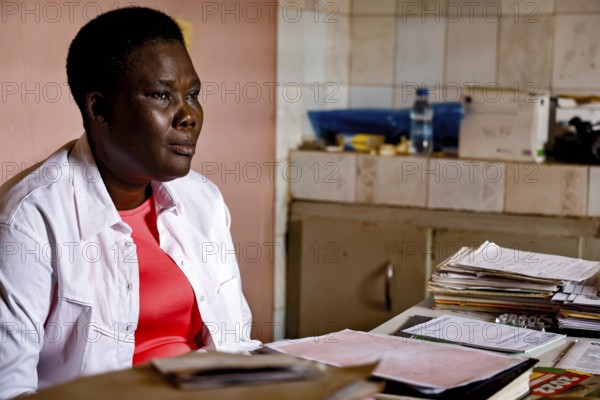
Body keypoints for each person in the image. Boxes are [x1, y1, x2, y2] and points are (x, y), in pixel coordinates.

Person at [0, 7, 260, 399]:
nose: (187, 115)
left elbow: (234, 342)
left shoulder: (202, 200)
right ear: (99, 108)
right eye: (161, 95)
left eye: (192, 95)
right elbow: (9, 387)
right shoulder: (29, 219)